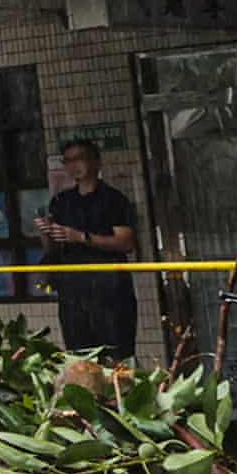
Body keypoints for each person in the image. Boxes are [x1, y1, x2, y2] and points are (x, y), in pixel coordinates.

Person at [40, 139, 142, 357]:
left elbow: (127, 242)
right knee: (79, 356)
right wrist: (46, 232)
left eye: (79, 158)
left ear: (96, 162)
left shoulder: (115, 199)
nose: (73, 165)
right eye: (67, 161)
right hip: (73, 291)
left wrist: (81, 237)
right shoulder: (61, 201)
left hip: (110, 290)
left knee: (116, 354)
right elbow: (53, 247)